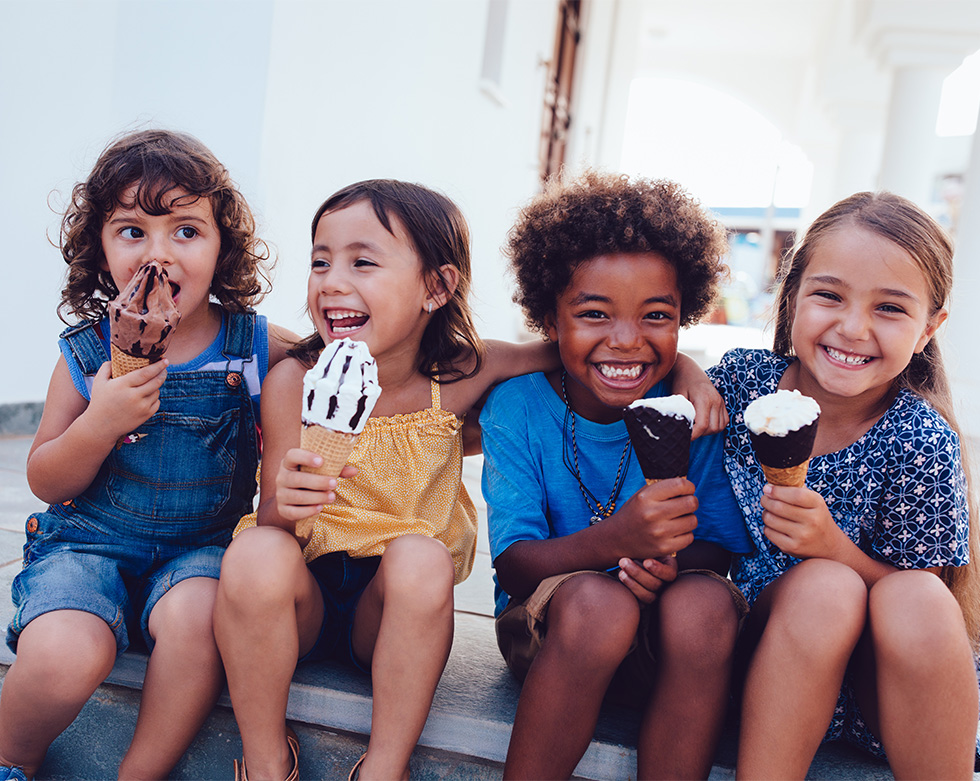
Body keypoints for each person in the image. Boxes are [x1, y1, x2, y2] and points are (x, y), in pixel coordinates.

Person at [212, 178, 726, 781]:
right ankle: (266, 759)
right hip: (300, 602)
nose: (332, 280)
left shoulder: (463, 374)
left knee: (423, 558)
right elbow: (273, 512)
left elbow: (579, 346)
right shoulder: (294, 382)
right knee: (255, 550)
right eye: (320, 261)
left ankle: (383, 768)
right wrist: (283, 506)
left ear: (437, 287)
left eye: (362, 262)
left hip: (392, 611)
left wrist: (686, 367)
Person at [0, 129, 294, 781]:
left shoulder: (253, 344)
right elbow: (46, 474)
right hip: (87, 543)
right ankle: (9, 758)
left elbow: (342, 368)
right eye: (132, 230)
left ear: (223, 248)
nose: (158, 252)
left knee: (195, 624)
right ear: (101, 251)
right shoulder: (85, 354)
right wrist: (97, 424)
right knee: (63, 653)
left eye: (186, 230)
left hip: (202, 550)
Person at [480, 170, 754, 780]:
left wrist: (667, 567)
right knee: (600, 606)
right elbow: (514, 564)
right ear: (551, 319)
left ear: (685, 317)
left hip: (662, 639)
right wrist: (617, 542)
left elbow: (716, 550)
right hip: (555, 631)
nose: (627, 341)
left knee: (708, 603)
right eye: (595, 314)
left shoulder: (696, 414)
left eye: (656, 315)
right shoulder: (519, 408)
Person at [708, 191, 980, 779]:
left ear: (930, 328)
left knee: (918, 596)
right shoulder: (739, 383)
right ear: (793, 297)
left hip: (872, 690)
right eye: (829, 295)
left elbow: (916, 602)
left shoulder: (922, 439)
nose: (852, 328)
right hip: (751, 657)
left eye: (890, 309)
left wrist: (832, 547)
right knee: (824, 591)